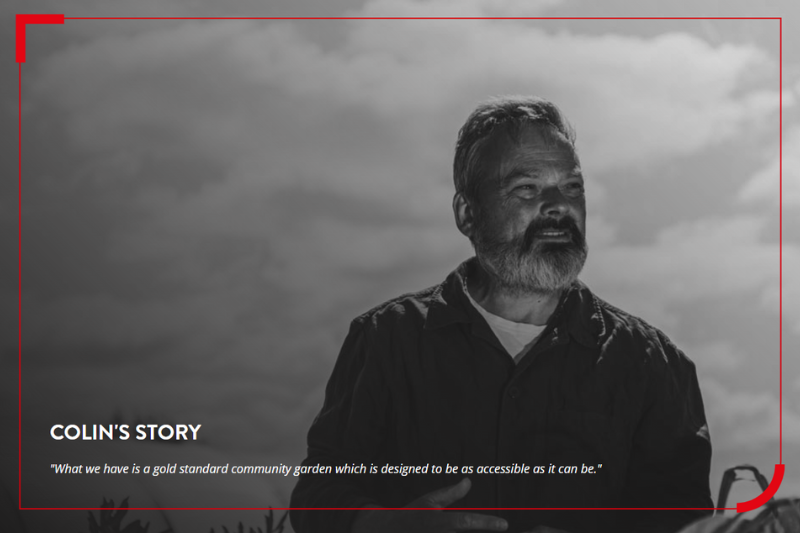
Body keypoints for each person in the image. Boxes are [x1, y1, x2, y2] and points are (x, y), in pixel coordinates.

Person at [289, 96, 713, 533]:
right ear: (467, 214)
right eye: (527, 188)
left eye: (572, 187)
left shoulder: (654, 364)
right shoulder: (386, 338)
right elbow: (318, 493)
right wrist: (382, 526)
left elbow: (686, 519)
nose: (558, 206)